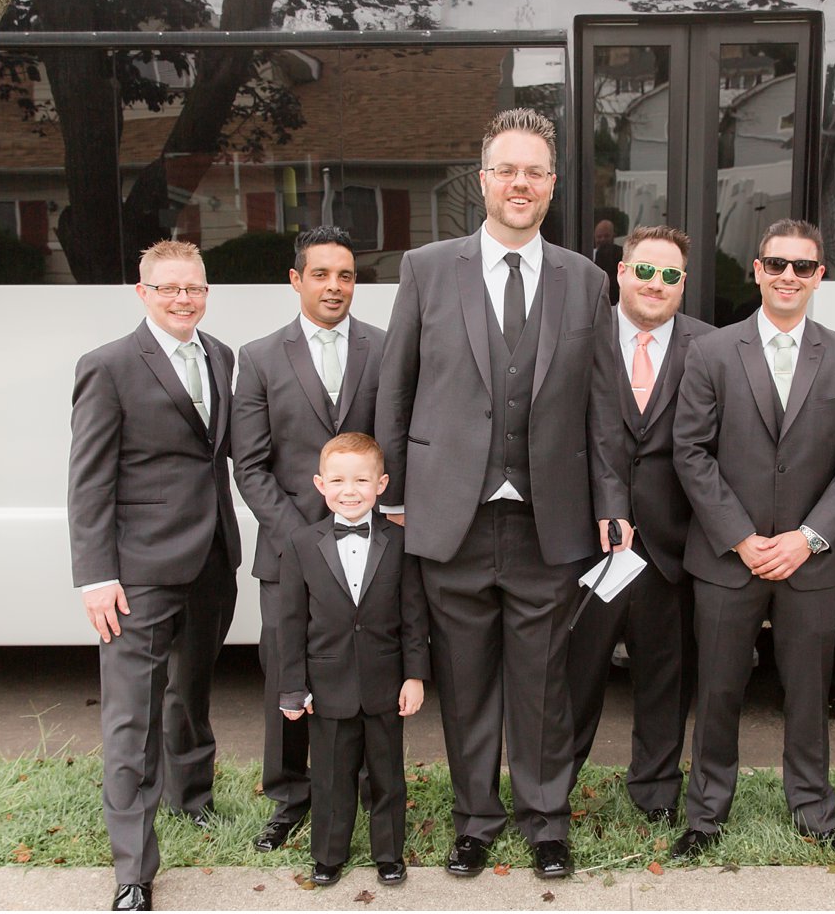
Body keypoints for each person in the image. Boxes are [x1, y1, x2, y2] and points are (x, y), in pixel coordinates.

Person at [375, 107, 631, 880]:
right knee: (465, 683)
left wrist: (611, 500)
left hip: (549, 520)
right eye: (507, 169)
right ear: (483, 180)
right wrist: (392, 488)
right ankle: (475, 820)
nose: (521, 183)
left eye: (536, 172)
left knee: (542, 682)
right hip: (450, 514)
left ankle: (546, 819)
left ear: (553, 187)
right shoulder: (426, 269)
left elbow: (602, 404)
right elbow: (398, 384)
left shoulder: (585, 279)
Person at [671, 219, 835, 860]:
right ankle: (706, 815)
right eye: (776, 264)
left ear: (819, 276)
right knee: (718, 688)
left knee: (810, 690)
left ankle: (814, 810)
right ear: (757, 271)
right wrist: (739, 537)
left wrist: (808, 538)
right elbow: (690, 451)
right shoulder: (712, 352)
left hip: (811, 561)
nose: (788, 275)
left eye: (803, 266)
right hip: (728, 559)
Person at [67, 239, 240, 912]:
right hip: (136, 573)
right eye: (167, 288)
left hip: (211, 563)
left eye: (192, 288)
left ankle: (192, 800)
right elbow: (88, 481)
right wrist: (95, 575)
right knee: (131, 718)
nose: (182, 299)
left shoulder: (220, 356)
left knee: (190, 695)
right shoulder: (107, 366)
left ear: (205, 291)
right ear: (143, 294)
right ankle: (133, 871)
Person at [230, 227, 385, 853]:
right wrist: (304, 540)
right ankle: (289, 797)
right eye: (321, 274)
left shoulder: (386, 347)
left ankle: (375, 791)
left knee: (369, 667)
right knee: (286, 676)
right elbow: (251, 465)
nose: (334, 286)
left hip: (372, 553)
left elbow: (395, 442)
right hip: (289, 553)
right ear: (296, 280)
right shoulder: (260, 356)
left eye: (345, 275)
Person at [567, 225, 712, 823]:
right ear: (621, 273)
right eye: (645, 271)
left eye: (671, 275)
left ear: (684, 284)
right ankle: (550, 794)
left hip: (670, 545)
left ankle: (655, 796)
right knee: (572, 678)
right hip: (587, 543)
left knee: (665, 680)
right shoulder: (577, 337)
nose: (657, 284)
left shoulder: (710, 346)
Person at [278, 433, 429, 888]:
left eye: (361, 480)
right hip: (327, 686)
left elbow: (413, 615)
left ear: (381, 484)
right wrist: (292, 685)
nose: (350, 490)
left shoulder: (400, 543)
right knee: (329, 778)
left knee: (387, 775)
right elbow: (289, 623)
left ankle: (388, 853)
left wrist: (415, 676)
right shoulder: (301, 543)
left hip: (385, 682)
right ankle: (328, 855)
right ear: (320, 484)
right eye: (339, 480)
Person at [591, 218, 621, 302]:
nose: (603, 239)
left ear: (613, 236)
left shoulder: (620, 254)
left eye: (606, 236)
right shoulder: (588, 256)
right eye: (599, 237)